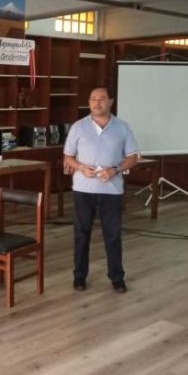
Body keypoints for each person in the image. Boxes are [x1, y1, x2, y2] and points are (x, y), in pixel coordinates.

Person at [63, 86, 139, 293]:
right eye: (93, 99)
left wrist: (115, 169)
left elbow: (133, 157)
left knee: (113, 235)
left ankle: (117, 278)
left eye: (102, 99)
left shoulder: (122, 127)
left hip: (111, 191)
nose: (97, 103)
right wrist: (80, 167)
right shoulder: (78, 127)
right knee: (81, 234)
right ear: (89, 102)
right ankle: (79, 276)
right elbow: (68, 156)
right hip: (83, 189)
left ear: (110, 102)